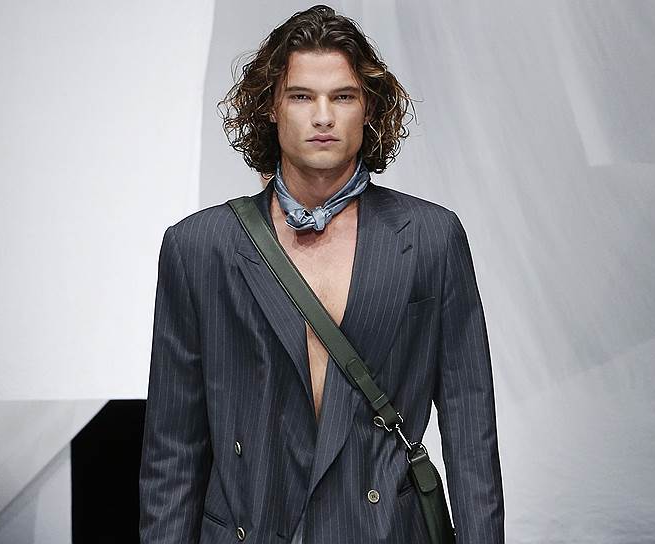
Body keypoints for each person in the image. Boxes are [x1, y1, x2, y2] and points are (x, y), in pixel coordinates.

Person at [139, 5, 504, 543]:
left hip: (383, 529)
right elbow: (172, 448)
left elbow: (470, 429)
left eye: (344, 96)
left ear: (369, 107)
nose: (324, 116)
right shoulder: (199, 247)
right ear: (270, 107)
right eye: (301, 96)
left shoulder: (431, 237)